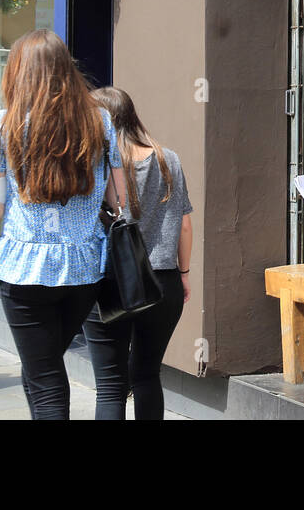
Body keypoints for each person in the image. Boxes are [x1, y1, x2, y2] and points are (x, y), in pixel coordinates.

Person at [0, 29, 124, 420]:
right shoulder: (100, 120)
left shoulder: (3, 124)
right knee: (41, 369)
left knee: (44, 373)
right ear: (67, 71)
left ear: (18, 72)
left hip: (24, 268)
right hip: (85, 267)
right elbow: (118, 200)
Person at [81, 86, 192, 420]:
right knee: (147, 374)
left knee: (110, 386)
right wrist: (184, 275)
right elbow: (184, 226)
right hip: (162, 280)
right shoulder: (167, 158)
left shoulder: (93, 163)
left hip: (108, 281)